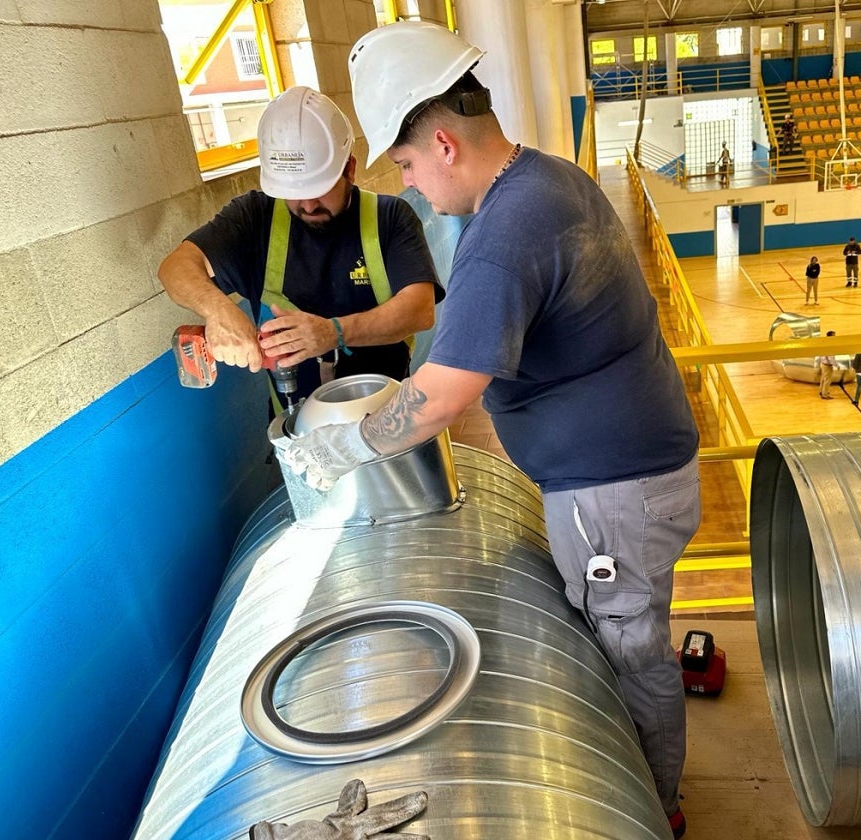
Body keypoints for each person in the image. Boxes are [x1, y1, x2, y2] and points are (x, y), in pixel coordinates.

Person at [281, 21, 700, 839]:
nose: (407, 186)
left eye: (403, 166)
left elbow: (439, 396)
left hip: (614, 496)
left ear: (441, 142)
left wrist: (342, 447)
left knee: (632, 653)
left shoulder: (506, 231)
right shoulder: (544, 180)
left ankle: (657, 808)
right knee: (626, 638)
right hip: (628, 476)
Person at [159, 86, 442, 405]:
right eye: (293, 191)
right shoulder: (255, 218)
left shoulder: (389, 218)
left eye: (320, 188)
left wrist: (333, 332)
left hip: (390, 421)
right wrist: (219, 309)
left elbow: (420, 310)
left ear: (349, 169)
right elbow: (175, 268)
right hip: (297, 427)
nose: (307, 204)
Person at [817, 330, 838, 399]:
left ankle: (821, 391)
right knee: (827, 380)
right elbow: (831, 358)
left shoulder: (824, 343)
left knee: (823, 379)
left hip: (823, 364)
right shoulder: (830, 345)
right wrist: (836, 365)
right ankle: (825, 394)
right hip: (827, 365)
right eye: (834, 335)